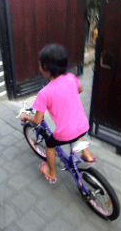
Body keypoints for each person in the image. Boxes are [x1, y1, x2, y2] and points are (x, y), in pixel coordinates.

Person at [21, 44, 96, 184]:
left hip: (65, 133)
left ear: (46, 69)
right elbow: (79, 90)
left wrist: (26, 116)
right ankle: (87, 154)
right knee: (76, 129)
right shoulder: (71, 78)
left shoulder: (44, 93)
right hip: (83, 124)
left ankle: (52, 173)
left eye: (40, 64)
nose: (39, 66)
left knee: (50, 144)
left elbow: (37, 121)